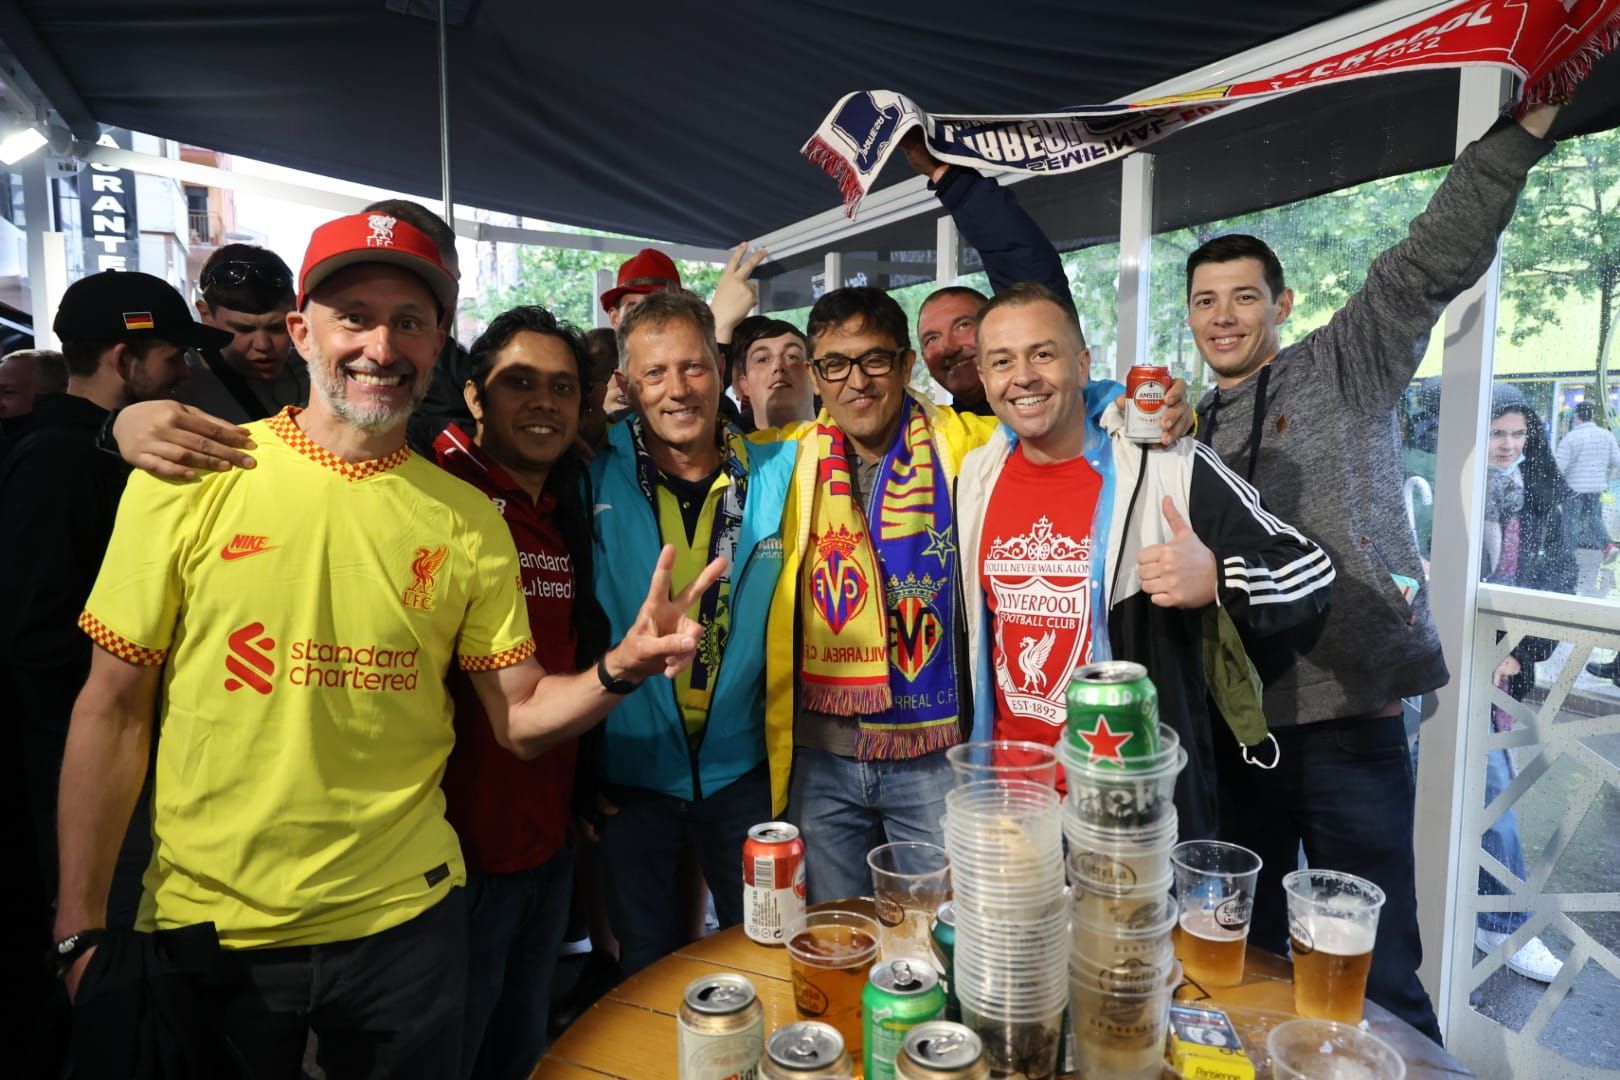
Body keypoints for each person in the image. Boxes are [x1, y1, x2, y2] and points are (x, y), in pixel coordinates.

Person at [54, 211, 723, 1077]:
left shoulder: (468, 519)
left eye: (408, 321)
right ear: (302, 332)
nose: (381, 344)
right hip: (209, 929)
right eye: (354, 316)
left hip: (409, 928)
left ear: (438, 341)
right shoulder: (192, 473)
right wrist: (77, 930)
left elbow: (519, 716)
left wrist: (619, 668)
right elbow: (109, 711)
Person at [1188, 101, 1565, 1043]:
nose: (1223, 315)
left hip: (1351, 712)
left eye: (1243, 296)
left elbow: (1425, 262)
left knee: (1378, 955)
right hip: (1246, 728)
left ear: (1280, 304)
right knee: (1254, 945)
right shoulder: (1187, 428)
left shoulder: (1341, 364)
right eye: (1203, 299)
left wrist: (1516, 138)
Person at [764, 286, 1189, 902]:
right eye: (835, 364)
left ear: (907, 366)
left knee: (946, 935)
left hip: (936, 753)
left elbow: (1053, 407)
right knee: (841, 932)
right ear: (816, 374)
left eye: (875, 360)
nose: (856, 381)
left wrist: (1150, 408)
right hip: (820, 758)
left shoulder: (963, 444)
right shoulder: (785, 461)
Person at [957, 284, 1332, 837]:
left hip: (1129, 810)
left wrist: (1219, 578)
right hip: (1010, 808)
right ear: (985, 379)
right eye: (1002, 361)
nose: (1024, 377)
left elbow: (1310, 567)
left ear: (1082, 365)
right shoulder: (976, 476)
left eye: (1043, 354)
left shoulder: (1165, 466)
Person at [589, 288, 796, 976]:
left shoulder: (781, 470)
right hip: (632, 773)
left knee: (763, 952)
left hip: (744, 772)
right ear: (625, 386)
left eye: (694, 367)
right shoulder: (588, 475)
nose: (677, 390)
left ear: (722, 366)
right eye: (654, 373)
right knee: (644, 966)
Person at [2, 271, 219, 924]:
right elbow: (31, 639)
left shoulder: (92, 454)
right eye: (173, 357)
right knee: (112, 962)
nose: (184, 373)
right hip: (90, 775)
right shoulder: (61, 464)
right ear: (125, 359)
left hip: (111, 763)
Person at [436, 305, 609, 1077]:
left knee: (521, 1052)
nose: (543, 401)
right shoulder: (430, 485)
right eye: (520, 383)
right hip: (451, 859)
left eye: (562, 387)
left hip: (546, 841)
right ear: (474, 397)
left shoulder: (563, 498)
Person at [1475, 387, 1571, 984]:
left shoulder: (1540, 495)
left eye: (1517, 434)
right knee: (1485, 789)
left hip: (1502, 667)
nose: (1508, 445)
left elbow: (1556, 580)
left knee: (1491, 788)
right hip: (1442, 659)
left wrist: (1517, 655)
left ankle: (1499, 922)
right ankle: (1495, 920)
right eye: (1496, 433)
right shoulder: (1436, 492)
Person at [901, 132, 1069, 419]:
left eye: (963, 325)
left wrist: (948, 177)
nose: (948, 348)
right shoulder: (935, 439)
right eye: (930, 339)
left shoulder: (1058, 410)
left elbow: (1021, 259)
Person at [179, 243, 306, 422]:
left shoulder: (317, 373)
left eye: (277, 328)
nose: (263, 345)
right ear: (205, 315)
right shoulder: (178, 384)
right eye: (244, 329)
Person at [1555, 400, 1619, 556]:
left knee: (1571, 523)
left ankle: (1566, 558)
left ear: (1577, 417)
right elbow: (1617, 461)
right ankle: (1608, 547)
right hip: (1596, 488)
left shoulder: (1571, 437)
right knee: (1594, 518)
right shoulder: (1607, 435)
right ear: (1592, 416)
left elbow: (1559, 466)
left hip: (1574, 490)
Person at [730, 314, 815, 430]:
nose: (778, 366)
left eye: (792, 356)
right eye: (763, 359)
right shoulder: (729, 445)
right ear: (745, 384)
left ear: (814, 375)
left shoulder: (842, 438)